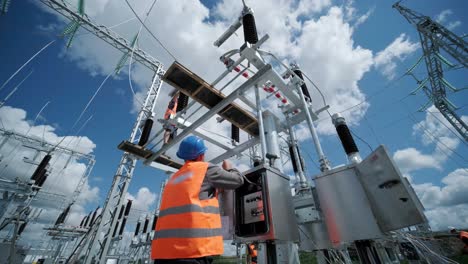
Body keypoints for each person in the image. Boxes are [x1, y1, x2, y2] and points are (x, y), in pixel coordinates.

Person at [151, 135, 245, 264]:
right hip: (192, 251)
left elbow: (195, 195)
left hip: (163, 254)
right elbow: (238, 180)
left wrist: (216, 191)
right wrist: (230, 168)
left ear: (183, 157)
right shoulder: (206, 169)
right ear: (201, 155)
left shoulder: (174, 178)